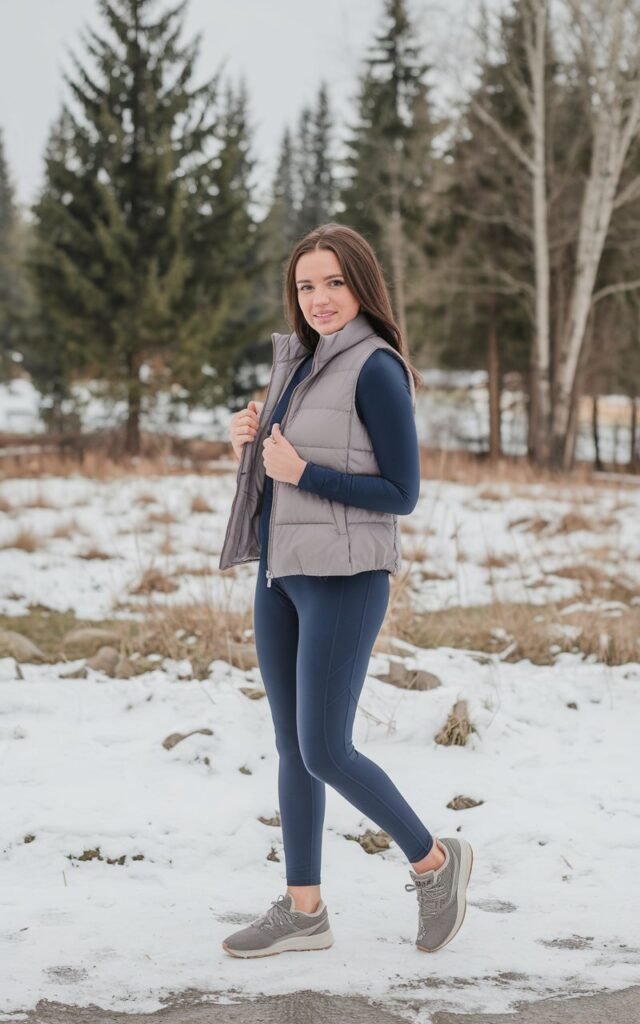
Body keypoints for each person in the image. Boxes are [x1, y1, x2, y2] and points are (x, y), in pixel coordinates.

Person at [218, 223, 473, 959]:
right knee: (293, 749)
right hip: (282, 572)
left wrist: (303, 473)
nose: (320, 298)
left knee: (326, 747)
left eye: (334, 282)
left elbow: (401, 492)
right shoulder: (297, 362)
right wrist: (253, 447)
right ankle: (305, 912)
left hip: (347, 578)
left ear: (361, 284)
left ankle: (435, 863)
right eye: (306, 285)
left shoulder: (376, 369)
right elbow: (285, 467)